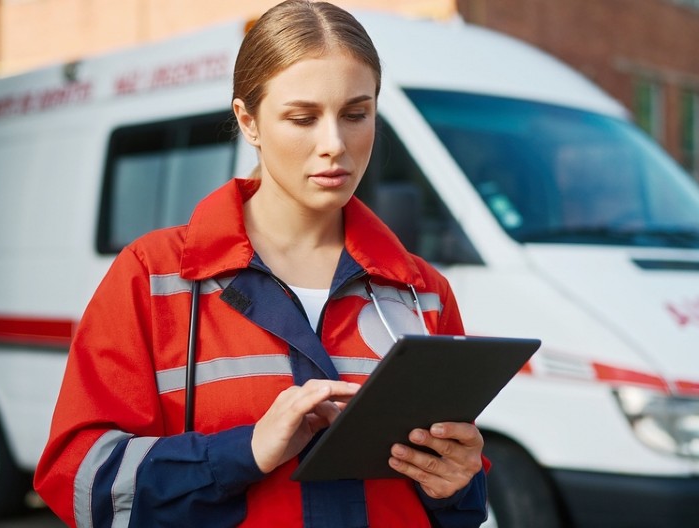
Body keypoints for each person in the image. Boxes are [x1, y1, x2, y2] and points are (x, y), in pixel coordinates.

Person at [33, 1, 488, 526]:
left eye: (355, 114)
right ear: (248, 121)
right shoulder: (152, 276)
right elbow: (78, 481)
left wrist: (457, 483)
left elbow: (456, 506)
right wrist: (242, 452)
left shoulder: (422, 290)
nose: (334, 144)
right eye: (302, 118)